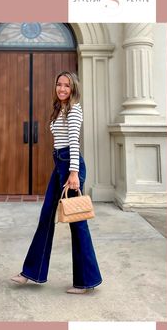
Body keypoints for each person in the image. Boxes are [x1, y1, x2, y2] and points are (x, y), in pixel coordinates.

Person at [11, 71, 102, 294]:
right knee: (46, 217)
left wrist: (72, 173)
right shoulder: (60, 108)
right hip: (60, 164)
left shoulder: (74, 109)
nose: (62, 89)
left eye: (66, 86)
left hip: (70, 166)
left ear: (73, 89)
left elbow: (73, 142)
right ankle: (31, 272)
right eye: (59, 85)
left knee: (77, 222)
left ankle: (85, 281)